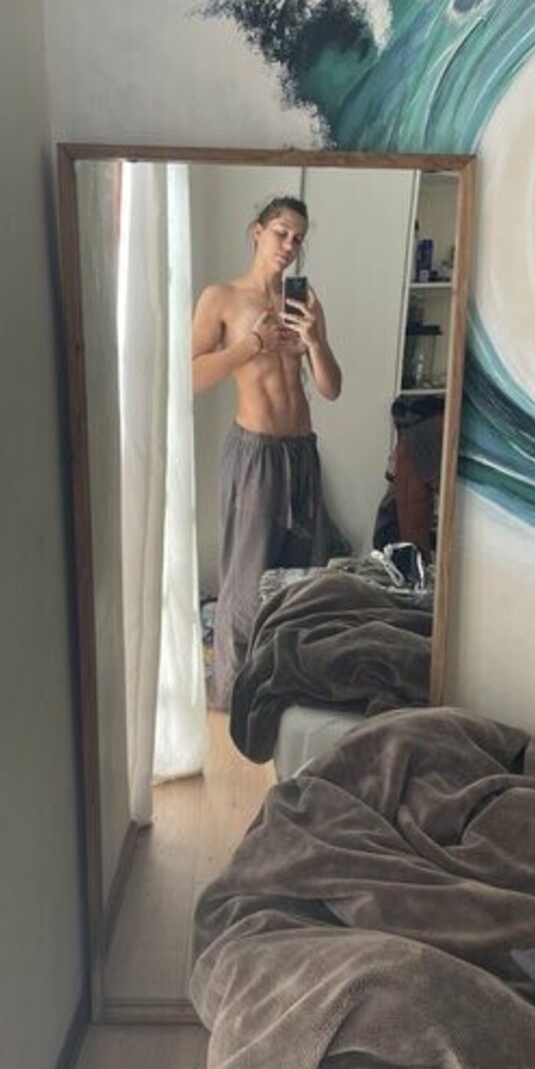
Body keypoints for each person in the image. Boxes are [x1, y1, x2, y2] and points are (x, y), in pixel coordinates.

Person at [192, 194, 342, 708]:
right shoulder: (222, 298)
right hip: (255, 453)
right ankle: (233, 701)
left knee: (299, 580)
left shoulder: (303, 303)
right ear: (257, 232)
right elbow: (189, 376)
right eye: (281, 232)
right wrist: (251, 345)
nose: (289, 245)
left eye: (298, 238)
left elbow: (330, 388)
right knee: (245, 585)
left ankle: (279, 694)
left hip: (302, 453)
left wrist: (315, 340)